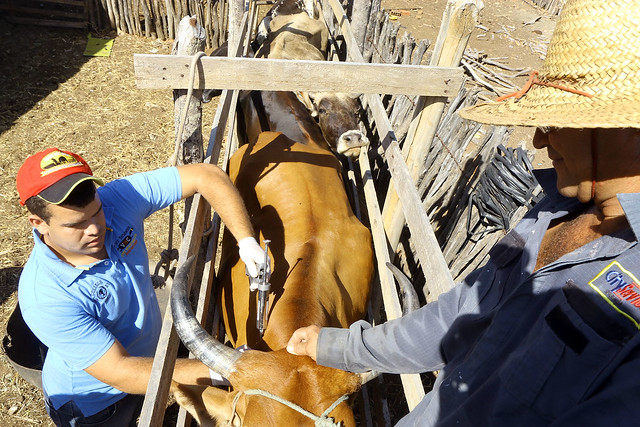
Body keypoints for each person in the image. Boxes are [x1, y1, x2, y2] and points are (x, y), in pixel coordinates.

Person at [287, 0, 640, 424]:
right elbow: (454, 316)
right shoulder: (552, 211)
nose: (540, 140)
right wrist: (337, 347)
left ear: (624, 129)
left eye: (556, 121)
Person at [16, 147, 268, 426]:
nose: (95, 228)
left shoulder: (114, 201)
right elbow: (121, 371)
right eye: (76, 224)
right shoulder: (46, 296)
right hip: (95, 403)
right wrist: (229, 367)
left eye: (96, 213)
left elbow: (205, 175)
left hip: (146, 361)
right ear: (39, 223)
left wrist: (246, 241)